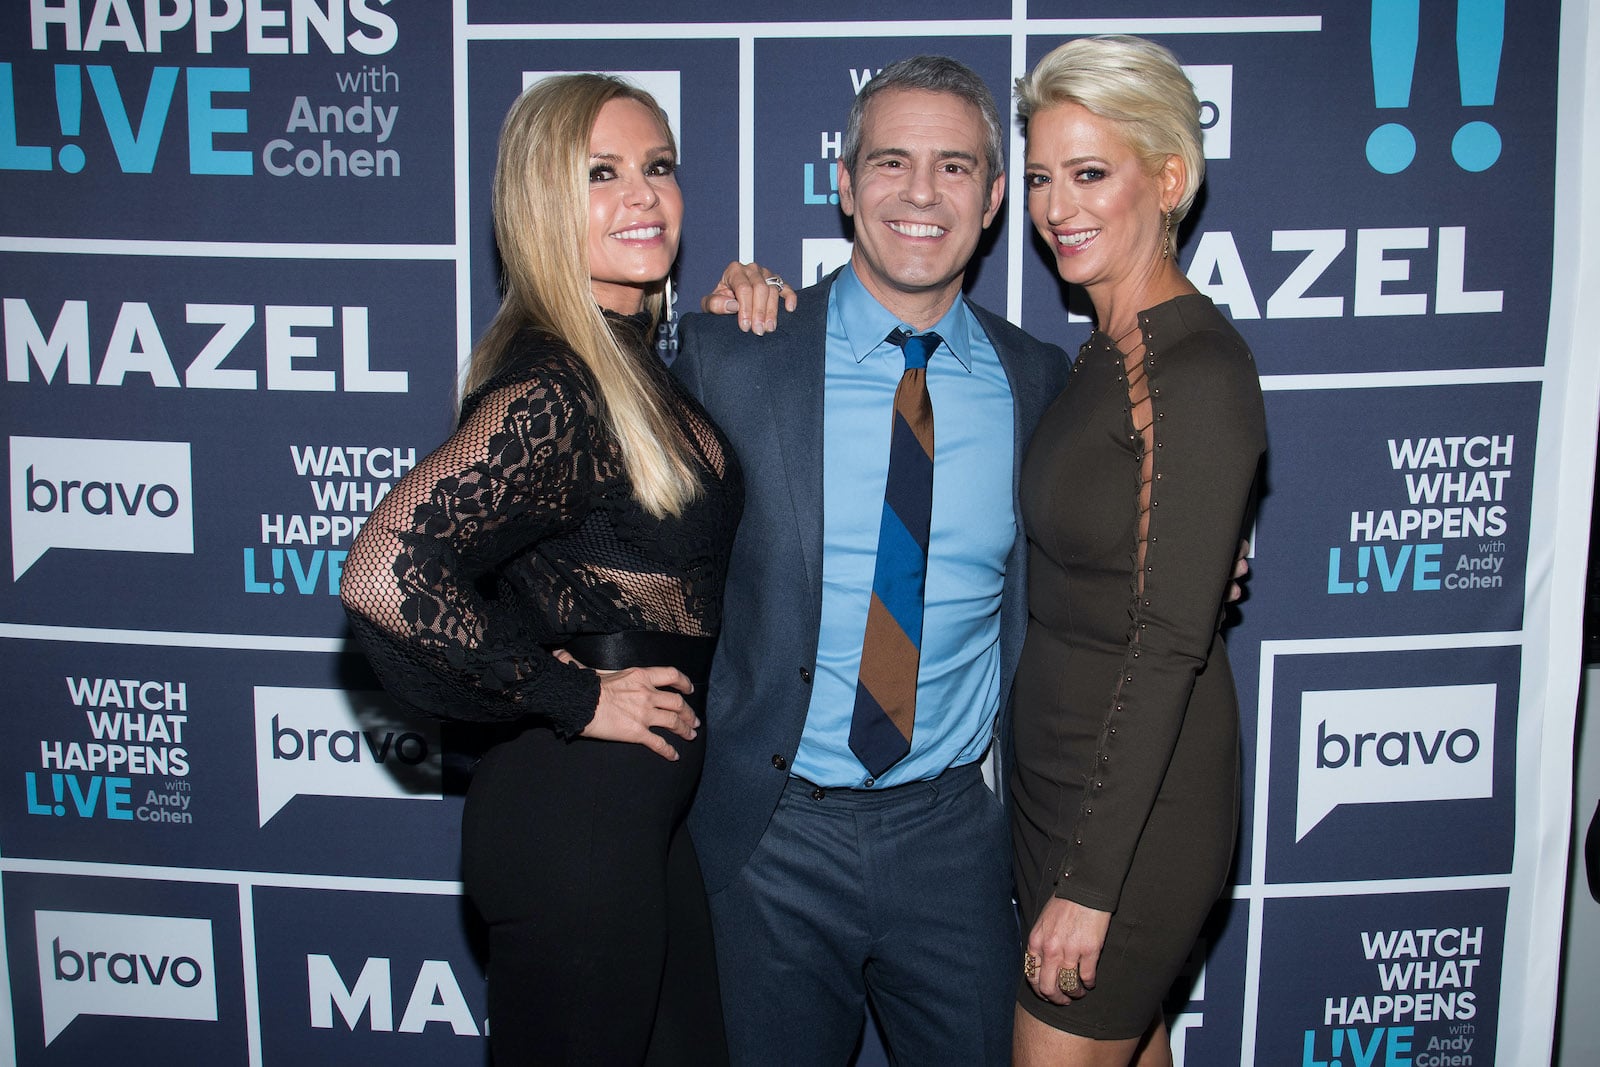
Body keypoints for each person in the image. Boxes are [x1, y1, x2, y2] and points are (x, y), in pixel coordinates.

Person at [338, 74, 784, 1065]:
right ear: (541, 200)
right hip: (574, 816)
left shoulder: (626, 365)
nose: (643, 195)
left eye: (657, 166)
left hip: (637, 818)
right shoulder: (557, 386)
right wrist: (571, 693)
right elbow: (384, 570)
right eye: (601, 174)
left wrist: (733, 323)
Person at [672, 56, 1072, 1065]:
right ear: (845, 185)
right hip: (769, 840)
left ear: (992, 198)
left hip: (956, 839)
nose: (921, 193)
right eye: (891, 162)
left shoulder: (1041, 383)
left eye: (954, 166)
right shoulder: (734, 356)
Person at [1009, 36, 1266, 1066]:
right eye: (1040, 177)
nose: (1055, 206)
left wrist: (1091, 881)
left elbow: (1165, 645)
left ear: (1167, 178)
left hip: (1130, 814)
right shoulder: (1102, 351)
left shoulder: (1192, 366)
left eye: (1088, 173)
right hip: (1061, 782)